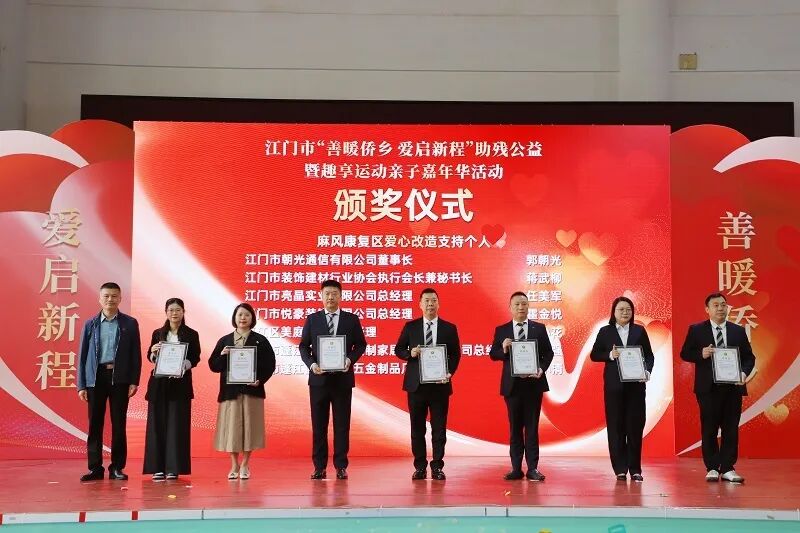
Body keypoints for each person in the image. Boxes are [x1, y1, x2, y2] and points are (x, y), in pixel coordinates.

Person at [680, 292, 755, 484]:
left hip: (733, 387)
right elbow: (685, 353)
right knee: (709, 428)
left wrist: (743, 374)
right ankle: (712, 467)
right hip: (708, 388)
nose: (721, 308)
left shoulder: (738, 331)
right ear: (707, 309)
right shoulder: (696, 330)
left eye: (723, 305)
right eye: (716, 305)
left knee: (731, 428)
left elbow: (749, 358)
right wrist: (701, 353)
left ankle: (728, 468)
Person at [299, 279, 367, 480]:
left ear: (340, 296)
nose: (330, 297)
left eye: (334, 293)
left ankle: (341, 466)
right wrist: (312, 364)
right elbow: (303, 346)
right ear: (321, 296)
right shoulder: (312, 319)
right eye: (327, 293)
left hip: (342, 380)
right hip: (318, 380)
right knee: (319, 426)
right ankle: (319, 467)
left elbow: (361, 344)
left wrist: (349, 359)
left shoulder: (351, 320)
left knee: (342, 425)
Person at [76, 282, 142, 482]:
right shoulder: (91, 324)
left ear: (120, 298)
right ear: (100, 298)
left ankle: (117, 467)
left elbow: (135, 354)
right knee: (95, 424)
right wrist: (81, 384)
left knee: (119, 424)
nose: (110, 299)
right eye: (106, 296)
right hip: (95, 379)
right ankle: (95, 468)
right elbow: (82, 356)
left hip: (120, 379)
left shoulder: (130, 324)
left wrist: (134, 381)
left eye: (114, 296)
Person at [395, 288, 461, 480]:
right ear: (420, 304)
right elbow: (398, 349)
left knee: (439, 429)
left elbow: (455, 354)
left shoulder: (449, 328)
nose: (430, 304)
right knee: (417, 429)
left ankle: (437, 466)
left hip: (440, 385)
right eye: (426, 301)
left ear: (438, 304)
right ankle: (420, 467)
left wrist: (449, 372)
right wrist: (410, 353)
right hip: (416, 386)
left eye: (433, 300)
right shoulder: (411, 327)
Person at [489, 291, 554, 481]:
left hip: (533, 384)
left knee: (532, 428)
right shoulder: (502, 330)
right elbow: (493, 354)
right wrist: (503, 348)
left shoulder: (538, 328)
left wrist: (541, 368)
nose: (520, 307)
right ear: (510, 307)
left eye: (524, 304)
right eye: (517, 304)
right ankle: (516, 468)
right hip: (512, 386)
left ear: (528, 306)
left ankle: (533, 468)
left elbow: (548, 353)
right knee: (515, 428)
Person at [589, 296, 655, 482]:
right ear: (614, 312)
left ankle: (635, 469)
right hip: (614, 387)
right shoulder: (605, 331)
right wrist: (610, 355)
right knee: (616, 427)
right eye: (621, 309)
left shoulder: (639, 331)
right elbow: (595, 355)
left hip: (636, 386)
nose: (625, 313)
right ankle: (619, 468)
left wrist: (647, 371)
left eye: (628, 309)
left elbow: (649, 356)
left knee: (635, 426)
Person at [208, 303, 276, 480]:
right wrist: (222, 356)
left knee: (249, 429)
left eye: (247, 315)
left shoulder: (261, 340)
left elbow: (270, 364)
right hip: (230, 392)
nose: (243, 318)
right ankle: (234, 464)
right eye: (240, 315)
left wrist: (259, 379)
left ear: (252, 318)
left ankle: (245, 463)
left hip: (252, 391)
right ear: (234, 318)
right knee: (231, 430)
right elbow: (213, 365)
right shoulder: (225, 340)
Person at [142, 298, 201, 480]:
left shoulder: (192, 334)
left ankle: (173, 468)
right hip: (159, 384)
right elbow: (150, 355)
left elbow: (196, 357)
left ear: (183, 312)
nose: (174, 313)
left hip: (180, 385)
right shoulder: (158, 333)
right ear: (166, 312)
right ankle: (157, 468)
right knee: (156, 426)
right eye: (171, 310)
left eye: (178, 310)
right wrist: (153, 353)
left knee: (177, 427)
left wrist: (184, 365)